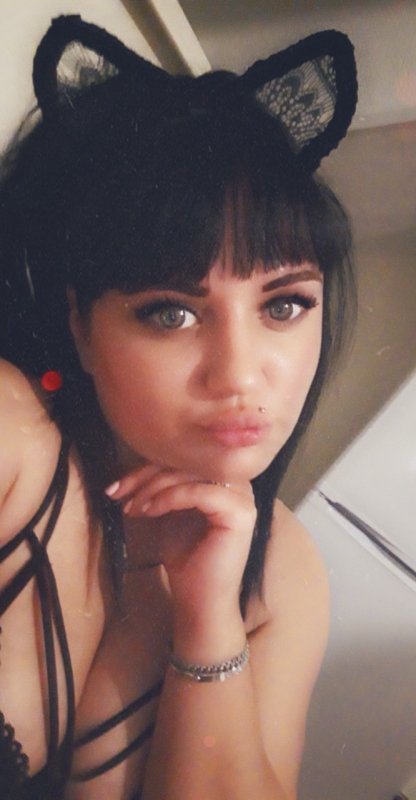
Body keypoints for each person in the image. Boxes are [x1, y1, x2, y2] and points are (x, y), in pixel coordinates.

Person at [0, 15, 357, 800]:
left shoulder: (282, 569)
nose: (241, 375)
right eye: (171, 313)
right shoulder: (11, 432)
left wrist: (207, 619)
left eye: (285, 305)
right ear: (79, 326)